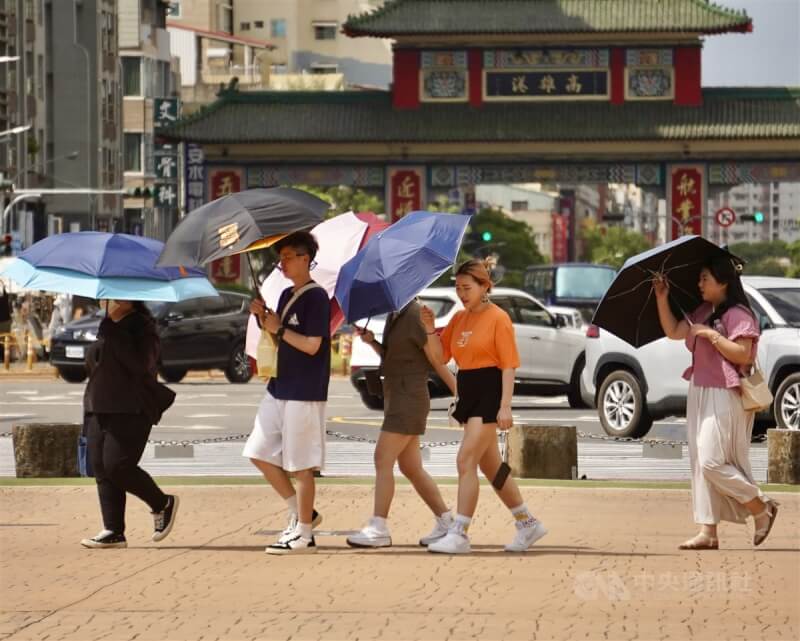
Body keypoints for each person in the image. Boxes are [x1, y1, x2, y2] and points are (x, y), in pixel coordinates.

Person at [420, 259, 547, 554]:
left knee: (465, 459)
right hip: (468, 390)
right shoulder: (458, 319)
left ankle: (460, 532)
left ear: (484, 286)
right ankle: (527, 523)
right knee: (490, 466)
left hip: (490, 390)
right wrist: (428, 329)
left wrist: (505, 406)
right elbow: (439, 357)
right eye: (458, 288)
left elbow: (508, 366)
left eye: (467, 287)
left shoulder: (499, 318)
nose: (462, 294)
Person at [654, 256, 779, 550]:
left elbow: (743, 354)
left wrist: (710, 334)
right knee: (699, 462)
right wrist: (662, 298)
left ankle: (759, 506)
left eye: (705, 278)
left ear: (723, 281)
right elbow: (674, 331)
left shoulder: (738, 314)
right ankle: (707, 530)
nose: (700, 284)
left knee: (712, 461)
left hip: (726, 392)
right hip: (700, 389)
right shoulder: (703, 310)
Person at [244, 231, 330, 555]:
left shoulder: (316, 297)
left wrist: (278, 327)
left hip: (304, 390)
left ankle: (304, 533)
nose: (282, 262)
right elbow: (283, 340)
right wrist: (265, 319)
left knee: (301, 463)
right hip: (279, 385)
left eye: (288, 256)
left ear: (306, 258)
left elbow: (312, 345)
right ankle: (302, 512)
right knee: (258, 450)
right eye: (281, 257)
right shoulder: (284, 296)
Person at [346, 299, 458, 548]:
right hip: (397, 396)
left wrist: (458, 393)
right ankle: (446, 521)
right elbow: (395, 356)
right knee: (411, 467)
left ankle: (379, 527)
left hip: (409, 399)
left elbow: (435, 359)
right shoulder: (395, 314)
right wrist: (372, 342)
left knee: (382, 458)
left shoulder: (416, 313)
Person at [81, 300, 178, 549]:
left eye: (111, 296)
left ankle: (162, 503)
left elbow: (140, 365)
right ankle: (113, 530)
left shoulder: (143, 328)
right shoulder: (106, 326)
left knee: (118, 465)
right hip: (98, 405)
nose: (106, 301)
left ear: (126, 298)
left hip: (130, 408)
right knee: (101, 468)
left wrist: (114, 333)